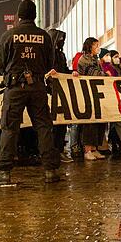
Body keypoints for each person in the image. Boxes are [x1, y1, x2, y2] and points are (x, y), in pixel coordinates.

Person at [0, 0, 60, 185]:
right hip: (37, 86)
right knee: (44, 126)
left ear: (19, 15)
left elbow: (0, 64)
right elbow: (49, 63)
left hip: (14, 87)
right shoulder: (44, 36)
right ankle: (50, 171)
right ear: (35, 15)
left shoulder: (9, 35)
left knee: (9, 128)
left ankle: (4, 172)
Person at [78, 42, 109, 161]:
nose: (98, 48)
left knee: (99, 121)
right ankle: (87, 150)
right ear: (89, 46)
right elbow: (93, 73)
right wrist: (106, 75)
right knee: (90, 122)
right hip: (88, 93)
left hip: (97, 93)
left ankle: (95, 148)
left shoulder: (96, 59)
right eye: (96, 45)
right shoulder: (85, 59)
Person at [48, 29, 73, 163]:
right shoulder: (48, 54)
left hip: (61, 92)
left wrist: (72, 73)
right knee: (52, 125)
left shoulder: (61, 55)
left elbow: (64, 70)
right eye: (60, 39)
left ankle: (59, 149)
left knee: (61, 123)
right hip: (50, 92)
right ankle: (52, 151)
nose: (62, 42)